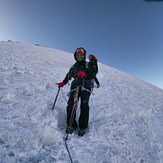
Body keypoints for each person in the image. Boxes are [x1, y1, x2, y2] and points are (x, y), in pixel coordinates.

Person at [58, 47, 97, 136]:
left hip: (86, 86)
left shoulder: (88, 65)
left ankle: (83, 127)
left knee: (84, 105)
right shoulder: (74, 66)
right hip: (75, 85)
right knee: (71, 104)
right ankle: (71, 125)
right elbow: (68, 75)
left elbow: (93, 73)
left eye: (81, 55)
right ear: (75, 56)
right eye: (78, 55)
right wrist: (63, 82)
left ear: (84, 56)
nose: (79, 56)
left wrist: (85, 74)